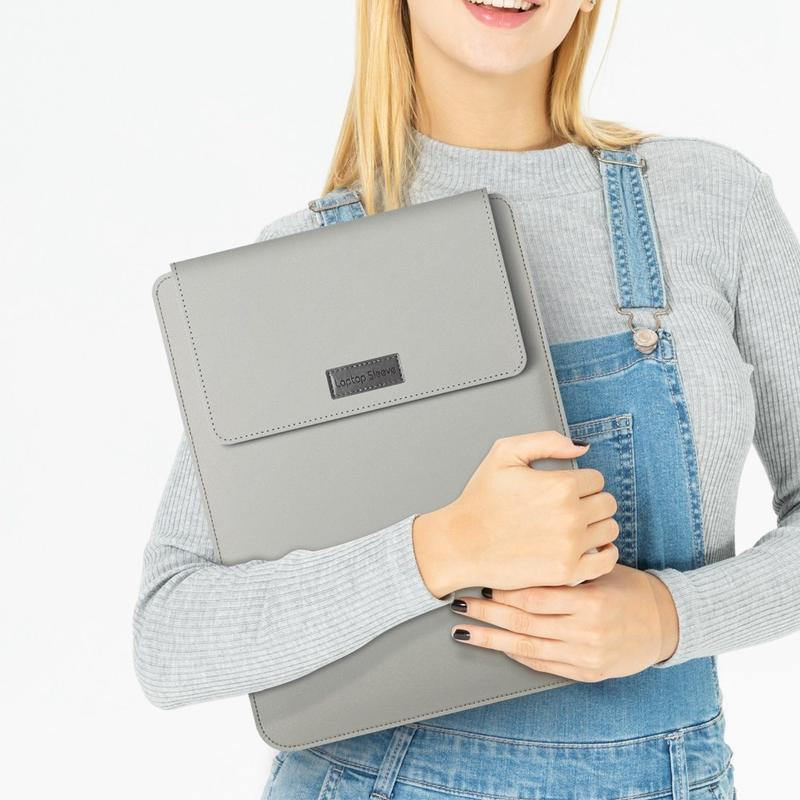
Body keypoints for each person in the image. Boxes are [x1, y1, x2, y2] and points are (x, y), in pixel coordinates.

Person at [133, 1, 800, 797]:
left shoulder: (714, 203)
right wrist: (437, 550)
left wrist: (670, 616)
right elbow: (170, 637)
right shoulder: (298, 266)